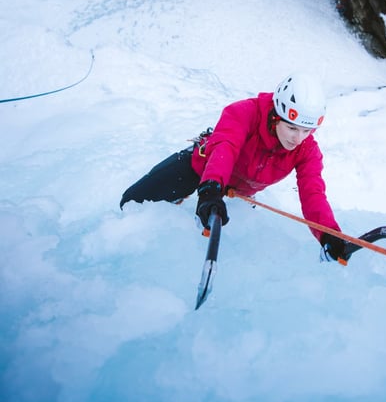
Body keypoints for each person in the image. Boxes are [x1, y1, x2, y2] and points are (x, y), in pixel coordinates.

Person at [119, 73, 348, 263]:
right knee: (131, 202)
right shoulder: (245, 113)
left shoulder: (307, 150)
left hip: (239, 193)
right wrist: (210, 190)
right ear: (276, 116)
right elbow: (225, 149)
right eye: (292, 128)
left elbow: (312, 192)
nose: (298, 139)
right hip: (202, 169)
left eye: (307, 131)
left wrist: (329, 234)